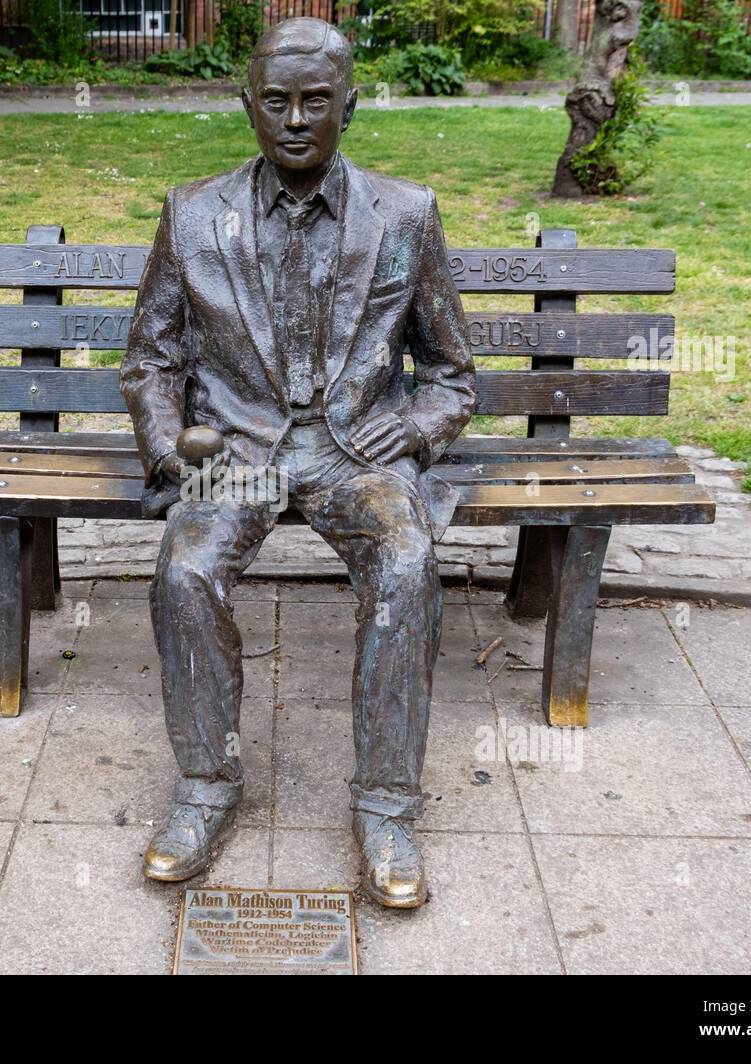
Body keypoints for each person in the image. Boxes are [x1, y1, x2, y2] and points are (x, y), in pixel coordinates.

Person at [120, 17, 476, 908]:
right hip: (237, 449)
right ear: (247, 104)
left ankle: (387, 806)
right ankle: (206, 785)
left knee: (407, 564)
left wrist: (417, 427)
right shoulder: (192, 214)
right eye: (275, 101)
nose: (293, 120)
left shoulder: (407, 213)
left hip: (354, 450)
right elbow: (151, 360)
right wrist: (168, 449)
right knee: (185, 571)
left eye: (316, 101)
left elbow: (452, 374)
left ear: (349, 108)